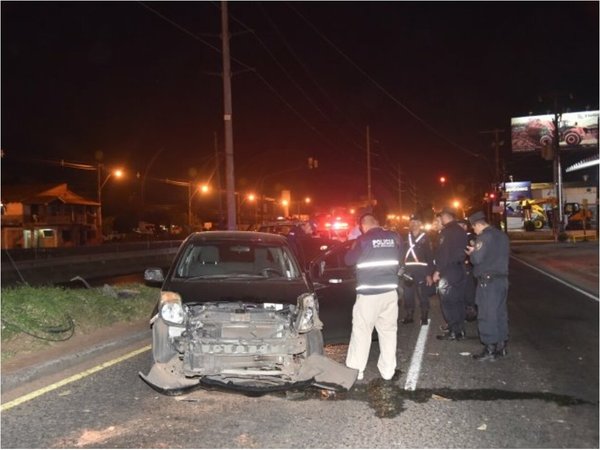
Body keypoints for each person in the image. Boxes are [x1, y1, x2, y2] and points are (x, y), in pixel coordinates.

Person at [344, 213, 403, 381]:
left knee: (362, 332)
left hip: (369, 295)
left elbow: (348, 260)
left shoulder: (363, 240)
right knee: (389, 332)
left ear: (363, 226)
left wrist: (353, 243)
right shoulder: (393, 237)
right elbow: (400, 259)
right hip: (390, 293)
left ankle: (357, 370)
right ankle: (388, 371)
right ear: (377, 223)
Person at [466, 211, 510, 361]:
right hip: (502, 281)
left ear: (478, 224)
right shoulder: (502, 236)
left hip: (488, 282)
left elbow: (477, 259)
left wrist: (472, 253)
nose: (474, 231)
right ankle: (501, 346)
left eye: (474, 228)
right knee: (500, 314)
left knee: (486, 315)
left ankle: (489, 349)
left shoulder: (484, 237)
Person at [433, 206, 468, 341]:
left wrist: (437, 271)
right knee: (458, 301)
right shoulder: (460, 230)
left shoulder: (446, 232)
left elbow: (443, 254)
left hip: (449, 271)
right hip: (460, 269)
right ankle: (460, 330)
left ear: (445, 217)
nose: (440, 220)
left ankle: (453, 331)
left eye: (440, 217)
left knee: (448, 302)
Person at [401, 213, 435, 326]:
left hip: (422, 270)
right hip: (408, 270)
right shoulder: (405, 236)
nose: (414, 224)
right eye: (412, 222)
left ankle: (424, 315)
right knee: (408, 294)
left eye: (416, 222)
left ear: (420, 224)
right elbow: (400, 253)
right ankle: (409, 315)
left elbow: (430, 256)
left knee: (422, 294)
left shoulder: (426, 237)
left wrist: (429, 273)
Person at [457, 219, 478, 322]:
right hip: (459, 267)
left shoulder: (469, 237)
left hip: (468, 267)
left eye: (461, 226)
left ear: (465, 227)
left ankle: (471, 310)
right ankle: (465, 311)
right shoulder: (457, 237)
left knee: (469, 290)